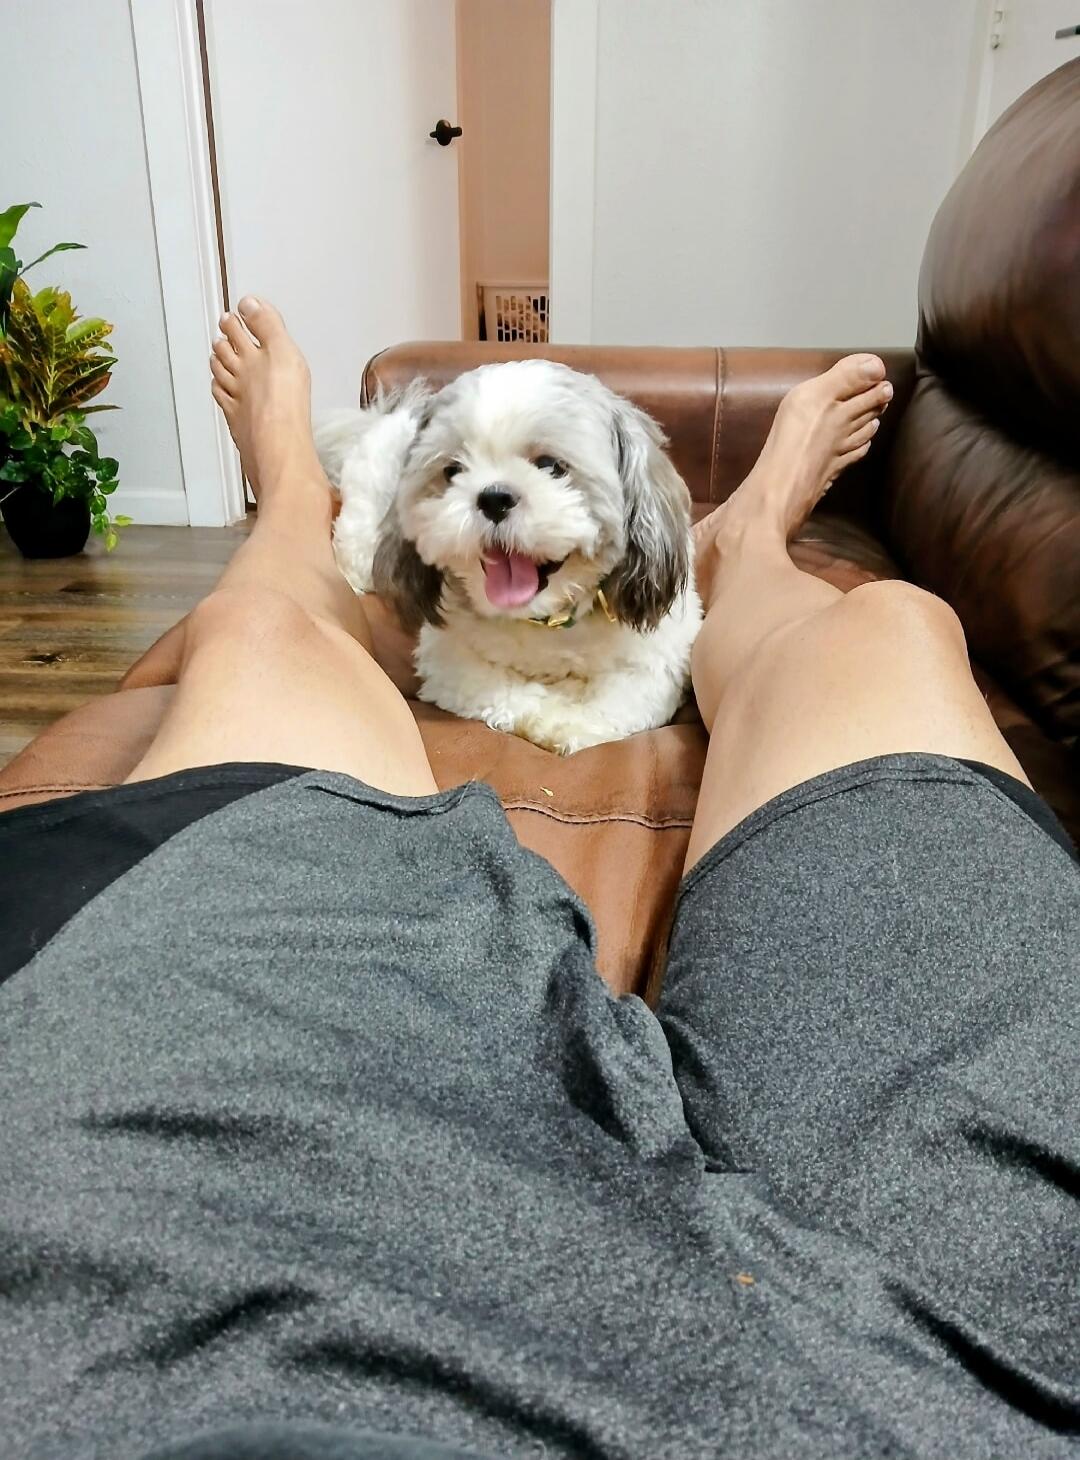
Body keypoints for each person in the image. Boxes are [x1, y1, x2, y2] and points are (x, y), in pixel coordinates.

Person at [1, 298, 1076, 1460]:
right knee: (893, 632)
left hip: (162, 1201)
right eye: (457, 468)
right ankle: (747, 541)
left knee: (267, 633)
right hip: (972, 1371)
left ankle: (295, 517)